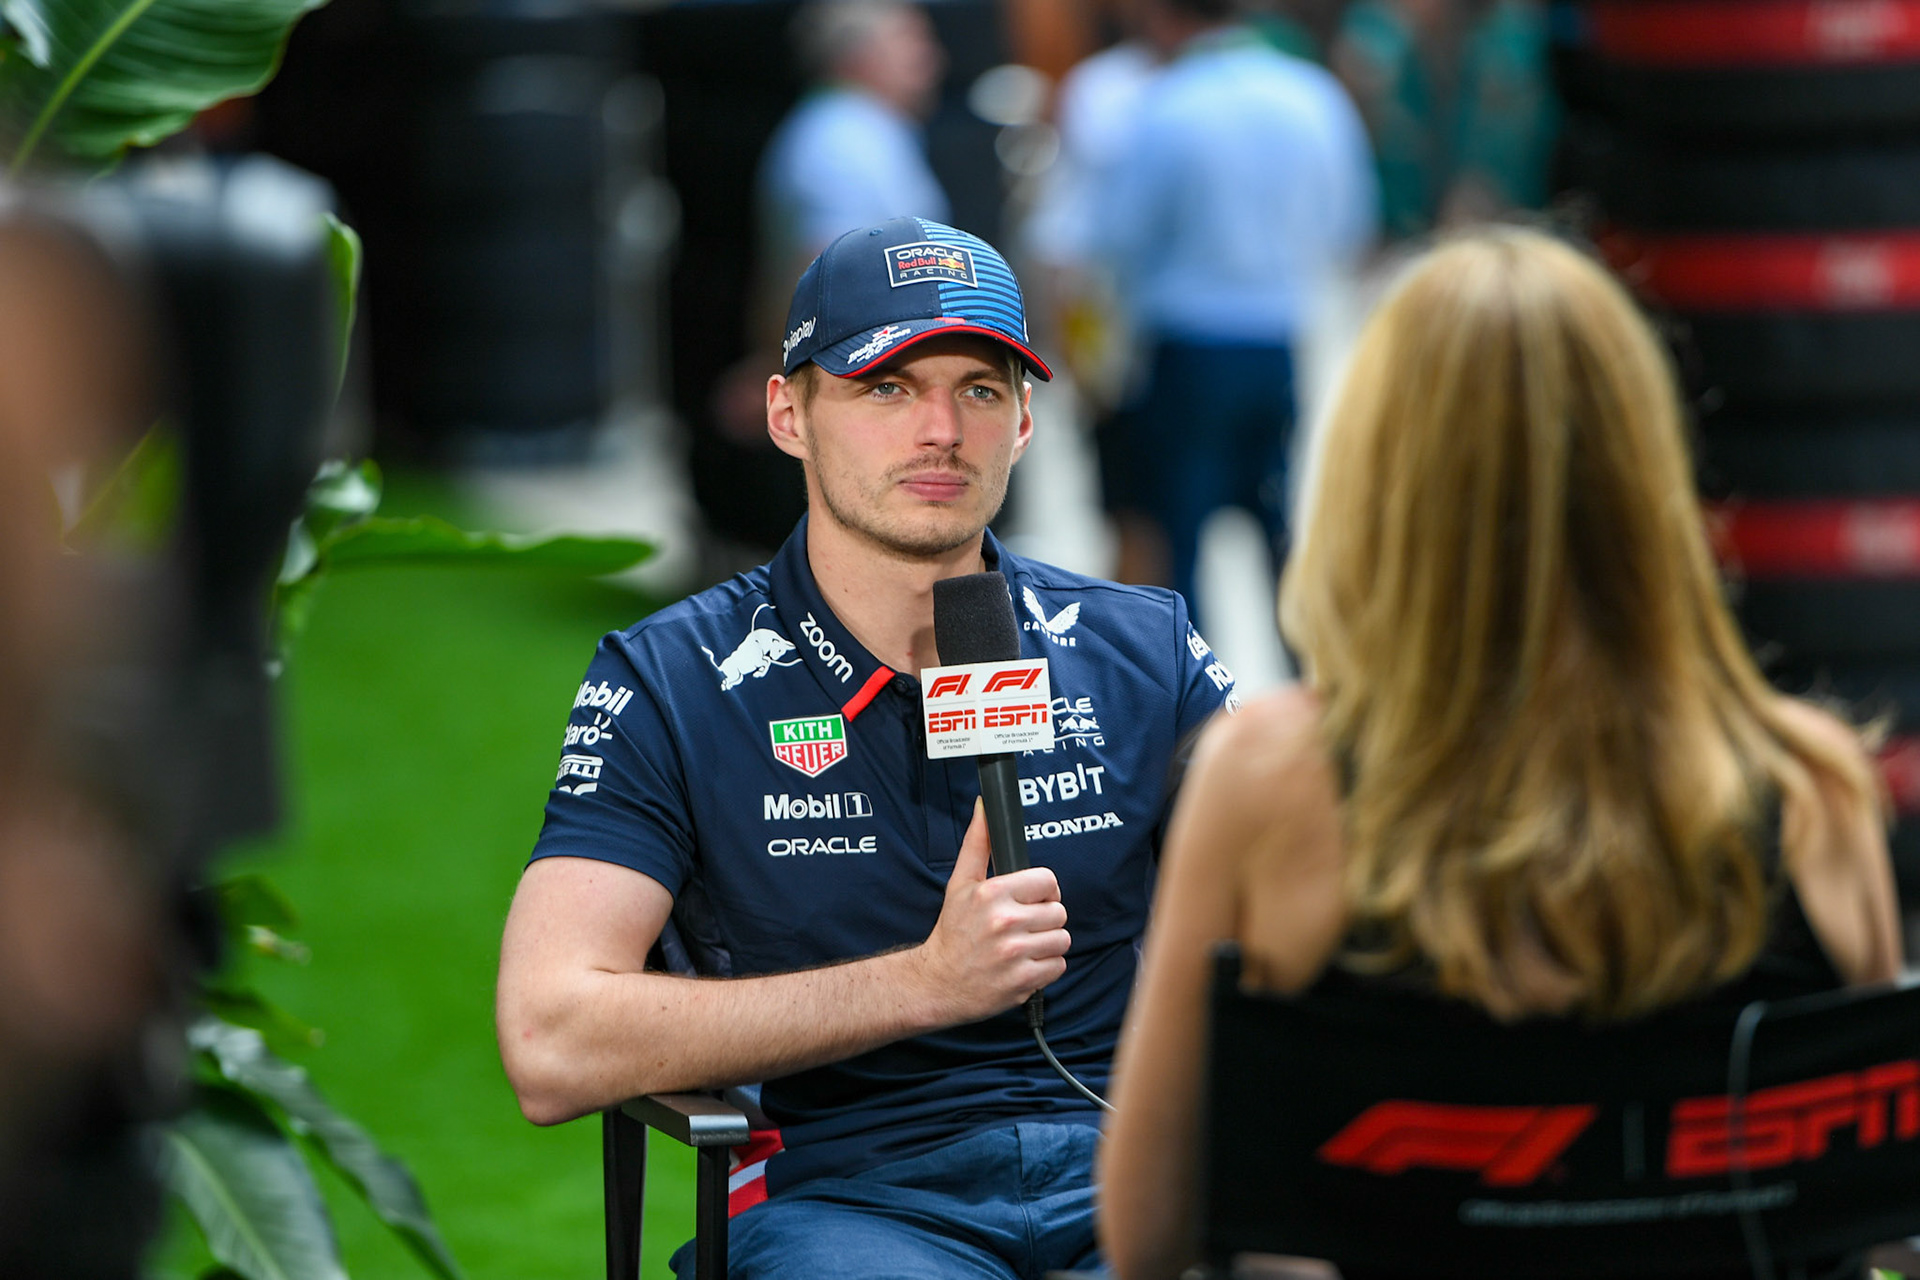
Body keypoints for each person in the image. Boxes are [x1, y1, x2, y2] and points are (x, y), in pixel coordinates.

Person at [1096, 227, 1903, 1280]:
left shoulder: (1269, 778)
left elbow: (1151, 1230)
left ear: (1377, 482)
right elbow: (1878, 1207)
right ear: (1650, 475)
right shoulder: (1815, 787)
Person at [496, 216, 1239, 1279]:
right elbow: (550, 1038)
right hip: (849, 1200)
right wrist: (927, 983)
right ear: (787, 412)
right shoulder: (673, 676)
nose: (940, 428)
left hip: (1134, 1175)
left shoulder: (1142, 645)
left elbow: (1307, 912)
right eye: (887, 386)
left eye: (980, 388)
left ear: (1025, 421)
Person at [1095, 0, 1377, 631]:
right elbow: (1349, 223)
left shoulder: (1166, 104)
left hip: (1187, 344)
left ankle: (1197, 707)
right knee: (1277, 525)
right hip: (1278, 338)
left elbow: (1120, 235)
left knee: (1182, 534)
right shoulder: (1313, 94)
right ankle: (1315, 686)